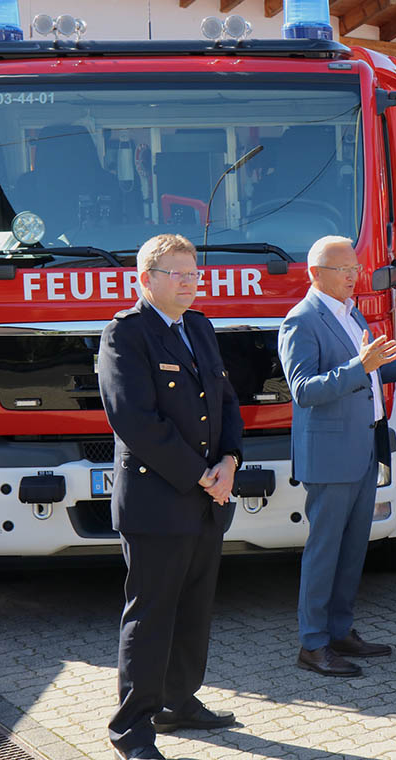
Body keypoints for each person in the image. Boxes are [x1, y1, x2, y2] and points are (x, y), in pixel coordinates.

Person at [279, 235, 396, 678]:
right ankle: (312, 644)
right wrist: (357, 367)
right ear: (315, 274)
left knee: (352, 549)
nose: (353, 275)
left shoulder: (351, 313)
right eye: (342, 269)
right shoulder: (301, 321)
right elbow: (304, 390)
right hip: (330, 455)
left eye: (354, 267)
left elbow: (380, 369)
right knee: (325, 551)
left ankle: (340, 631)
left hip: (364, 448)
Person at [99, 234, 243, 760]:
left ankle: (179, 701)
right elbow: (135, 420)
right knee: (151, 614)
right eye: (178, 274)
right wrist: (202, 475)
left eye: (194, 273)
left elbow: (225, 400)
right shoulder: (125, 335)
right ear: (146, 280)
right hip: (159, 501)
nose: (190, 282)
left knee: (194, 609)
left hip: (208, 497)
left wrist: (230, 460)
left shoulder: (199, 327)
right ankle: (132, 729)